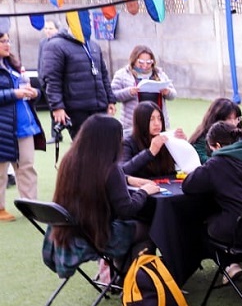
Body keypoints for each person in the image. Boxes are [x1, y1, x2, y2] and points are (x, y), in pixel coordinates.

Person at [44, 114, 158, 282]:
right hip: (97, 236)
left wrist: (126, 179)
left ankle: (120, 274)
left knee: (129, 229)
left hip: (70, 233)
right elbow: (126, 210)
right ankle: (134, 282)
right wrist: (145, 191)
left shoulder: (68, 161)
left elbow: (95, 181)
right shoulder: (110, 169)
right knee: (147, 229)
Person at [39, 24, 114, 137]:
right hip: (77, 109)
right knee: (84, 149)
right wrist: (57, 107)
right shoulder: (56, 45)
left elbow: (103, 75)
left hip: (100, 107)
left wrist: (110, 100)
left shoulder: (93, 45)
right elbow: (52, 79)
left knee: (104, 146)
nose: (87, 23)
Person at [0, 30, 42, 222]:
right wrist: (14, 93)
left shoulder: (12, 65)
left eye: (8, 41)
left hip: (24, 125)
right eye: (2, 41)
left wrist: (35, 93)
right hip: (3, 127)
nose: (7, 44)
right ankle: (0, 209)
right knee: (1, 170)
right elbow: (13, 93)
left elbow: (25, 92)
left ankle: (30, 205)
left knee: (26, 166)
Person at [111, 45, 176, 137]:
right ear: (134, 60)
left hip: (157, 123)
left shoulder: (159, 73)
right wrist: (129, 92)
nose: (145, 65)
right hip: (132, 124)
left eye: (149, 62)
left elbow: (173, 94)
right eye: (141, 62)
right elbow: (113, 94)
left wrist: (167, 92)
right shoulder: (122, 74)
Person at [120, 101, 183, 179]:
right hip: (143, 187)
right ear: (141, 121)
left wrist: (181, 145)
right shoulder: (128, 142)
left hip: (169, 185)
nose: (157, 123)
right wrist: (150, 152)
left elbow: (183, 165)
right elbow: (122, 171)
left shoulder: (166, 138)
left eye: (159, 118)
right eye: (151, 119)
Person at [190, 98, 242, 165]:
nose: (233, 123)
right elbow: (204, 162)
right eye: (229, 119)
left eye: (237, 119)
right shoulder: (201, 138)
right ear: (216, 119)